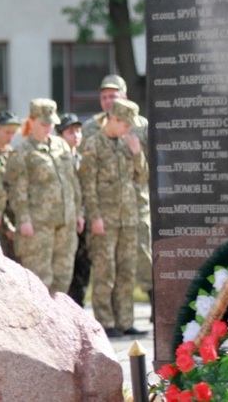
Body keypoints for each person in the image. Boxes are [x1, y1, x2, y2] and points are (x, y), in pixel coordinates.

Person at [81, 74, 153, 310]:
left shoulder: (141, 125)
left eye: (113, 95)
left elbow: (147, 168)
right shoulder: (92, 129)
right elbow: (87, 173)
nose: (108, 100)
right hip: (106, 205)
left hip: (136, 202)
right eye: (104, 97)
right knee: (106, 264)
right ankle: (108, 316)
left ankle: (146, 307)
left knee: (138, 257)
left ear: (124, 96)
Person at [4, 98, 82, 294]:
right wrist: (23, 219)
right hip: (38, 226)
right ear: (32, 121)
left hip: (66, 222)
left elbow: (73, 182)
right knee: (40, 280)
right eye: (44, 123)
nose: (49, 127)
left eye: (51, 123)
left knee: (63, 277)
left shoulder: (61, 146)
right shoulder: (22, 152)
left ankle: (59, 322)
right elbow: (17, 190)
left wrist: (79, 212)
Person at [56, 113, 89, 307]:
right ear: (60, 135)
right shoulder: (57, 160)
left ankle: (80, 304)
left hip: (83, 218)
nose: (76, 135)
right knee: (66, 266)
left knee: (83, 266)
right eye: (70, 132)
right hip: (66, 219)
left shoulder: (82, 158)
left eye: (78, 131)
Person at [0, 110, 22, 261]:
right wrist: (5, 225)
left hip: (12, 218)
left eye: (14, 133)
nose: (11, 137)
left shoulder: (11, 154)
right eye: (7, 132)